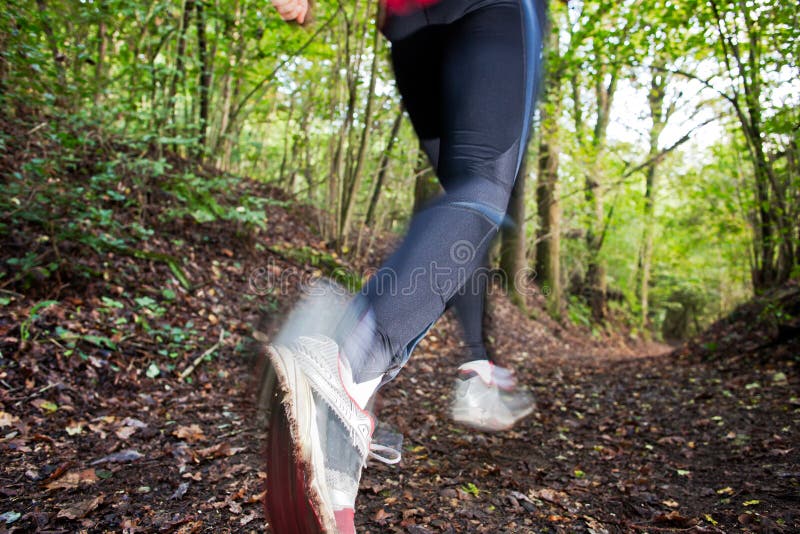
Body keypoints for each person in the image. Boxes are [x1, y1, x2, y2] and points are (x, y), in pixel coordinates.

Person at [260, 0, 546, 530]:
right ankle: (344, 358)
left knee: (465, 203)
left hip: (409, 25)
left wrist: (477, 353)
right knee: (482, 188)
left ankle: (342, 435)